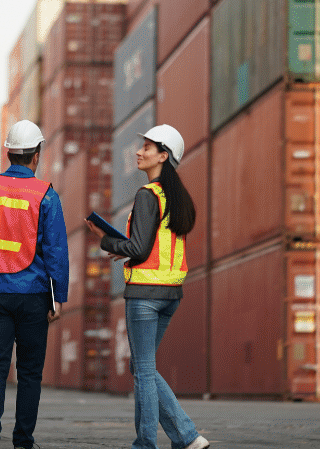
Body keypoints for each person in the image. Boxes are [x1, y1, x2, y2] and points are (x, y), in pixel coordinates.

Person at [86, 124, 209, 449]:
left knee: (142, 368)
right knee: (142, 367)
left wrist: (107, 240)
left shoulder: (147, 195)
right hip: (171, 293)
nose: (139, 152)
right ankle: (183, 438)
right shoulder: (177, 197)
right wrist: (121, 248)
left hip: (144, 294)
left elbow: (138, 249)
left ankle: (162, 440)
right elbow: (153, 246)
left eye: (147, 147)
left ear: (163, 156)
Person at [0, 120, 69, 449]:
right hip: (33, 295)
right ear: (36, 155)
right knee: (30, 372)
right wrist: (58, 297)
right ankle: (22, 441)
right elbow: (56, 252)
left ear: (8, 152)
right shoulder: (45, 195)